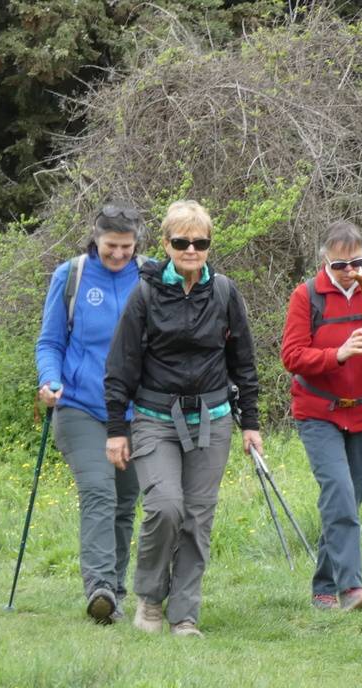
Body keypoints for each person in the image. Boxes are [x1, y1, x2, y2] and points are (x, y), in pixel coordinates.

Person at [104, 200, 261, 637]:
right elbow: (121, 366)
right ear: (166, 244)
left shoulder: (225, 292)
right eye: (181, 242)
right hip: (155, 418)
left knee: (197, 517)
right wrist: (117, 429)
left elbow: (243, 363)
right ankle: (150, 600)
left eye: (200, 242)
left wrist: (251, 422)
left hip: (212, 419)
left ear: (209, 245)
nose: (191, 249)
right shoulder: (146, 293)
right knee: (165, 507)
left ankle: (185, 614)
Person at [280, 221, 362, 611]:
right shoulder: (306, 297)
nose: (350, 271)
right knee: (338, 492)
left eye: (357, 262)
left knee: (349, 499)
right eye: (341, 265)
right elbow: (292, 357)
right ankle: (352, 588)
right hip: (319, 412)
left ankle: (323, 587)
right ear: (325, 262)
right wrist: (338, 354)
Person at [35, 202, 147, 624]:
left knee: (124, 502)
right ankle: (99, 585)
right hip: (81, 405)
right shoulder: (72, 275)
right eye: (110, 246)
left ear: (137, 244)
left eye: (126, 247)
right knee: (99, 491)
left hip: (137, 411)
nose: (118, 255)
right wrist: (50, 380)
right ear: (95, 239)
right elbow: (50, 342)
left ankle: (114, 592)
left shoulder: (150, 275)